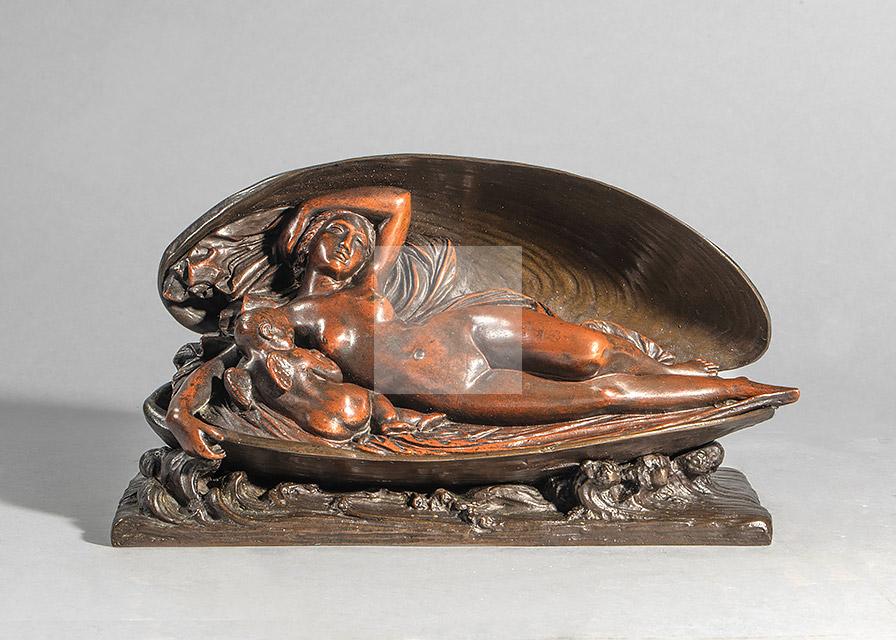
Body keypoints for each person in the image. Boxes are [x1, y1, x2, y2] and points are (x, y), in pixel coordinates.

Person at [167, 187, 798, 458]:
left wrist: (321, 203)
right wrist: (181, 416)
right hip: (444, 382)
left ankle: (695, 372)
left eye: (359, 239)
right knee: (605, 397)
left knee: (594, 353)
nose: (352, 243)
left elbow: (398, 203)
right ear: (304, 248)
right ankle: (738, 392)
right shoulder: (283, 313)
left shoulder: (367, 287)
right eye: (335, 232)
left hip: (462, 328)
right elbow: (223, 363)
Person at [224, 306, 446, 442]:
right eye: (289, 332)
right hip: (348, 405)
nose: (291, 337)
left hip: (320, 425)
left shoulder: (244, 372)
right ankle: (394, 421)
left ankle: (407, 422)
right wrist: (318, 357)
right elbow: (334, 374)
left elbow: (245, 401)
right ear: (268, 331)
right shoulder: (297, 355)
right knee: (374, 399)